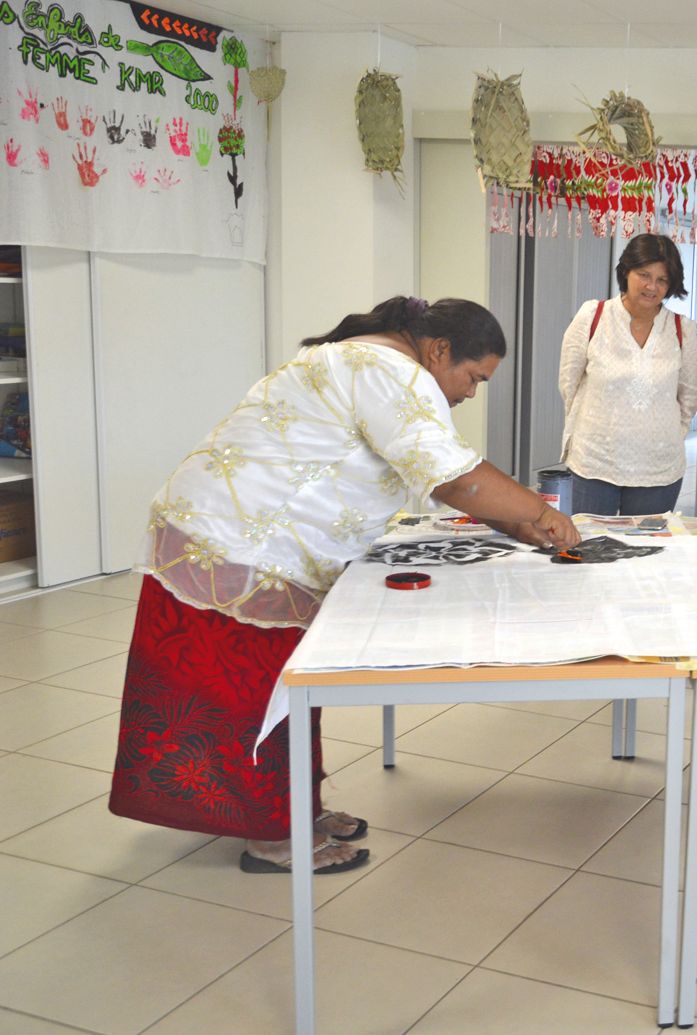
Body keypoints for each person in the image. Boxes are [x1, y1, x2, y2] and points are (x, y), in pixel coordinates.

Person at [109, 297, 581, 874]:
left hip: (245, 539)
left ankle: (295, 809)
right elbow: (455, 480)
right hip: (237, 549)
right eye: (473, 377)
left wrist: (518, 524)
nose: (470, 393)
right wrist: (540, 510)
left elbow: (438, 477)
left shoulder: (366, 360)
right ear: (438, 351)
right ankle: (272, 837)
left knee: (289, 690)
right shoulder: (391, 373)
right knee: (254, 699)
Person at [559, 234, 697, 516]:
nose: (652, 286)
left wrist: (665, 434)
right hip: (595, 461)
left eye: (662, 280)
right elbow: (569, 383)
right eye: (644, 275)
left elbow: (690, 396)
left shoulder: (681, 329)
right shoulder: (593, 316)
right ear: (626, 272)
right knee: (592, 549)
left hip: (658, 467)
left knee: (645, 554)